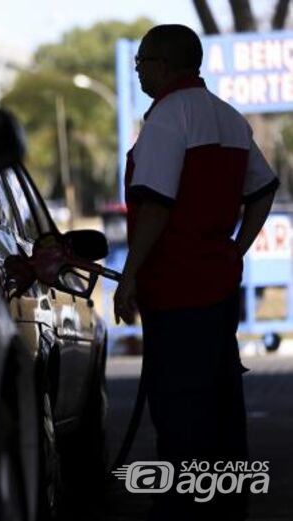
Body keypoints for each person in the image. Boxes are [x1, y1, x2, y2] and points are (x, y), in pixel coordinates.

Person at [113, 24, 279, 521]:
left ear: (163, 65)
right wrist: (234, 249)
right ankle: (227, 507)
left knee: (181, 415)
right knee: (222, 409)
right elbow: (264, 189)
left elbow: (157, 206)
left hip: (176, 290)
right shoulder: (229, 120)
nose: (138, 69)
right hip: (217, 287)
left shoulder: (167, 119)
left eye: (142, 61)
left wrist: (130, 275)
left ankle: (188, 509)